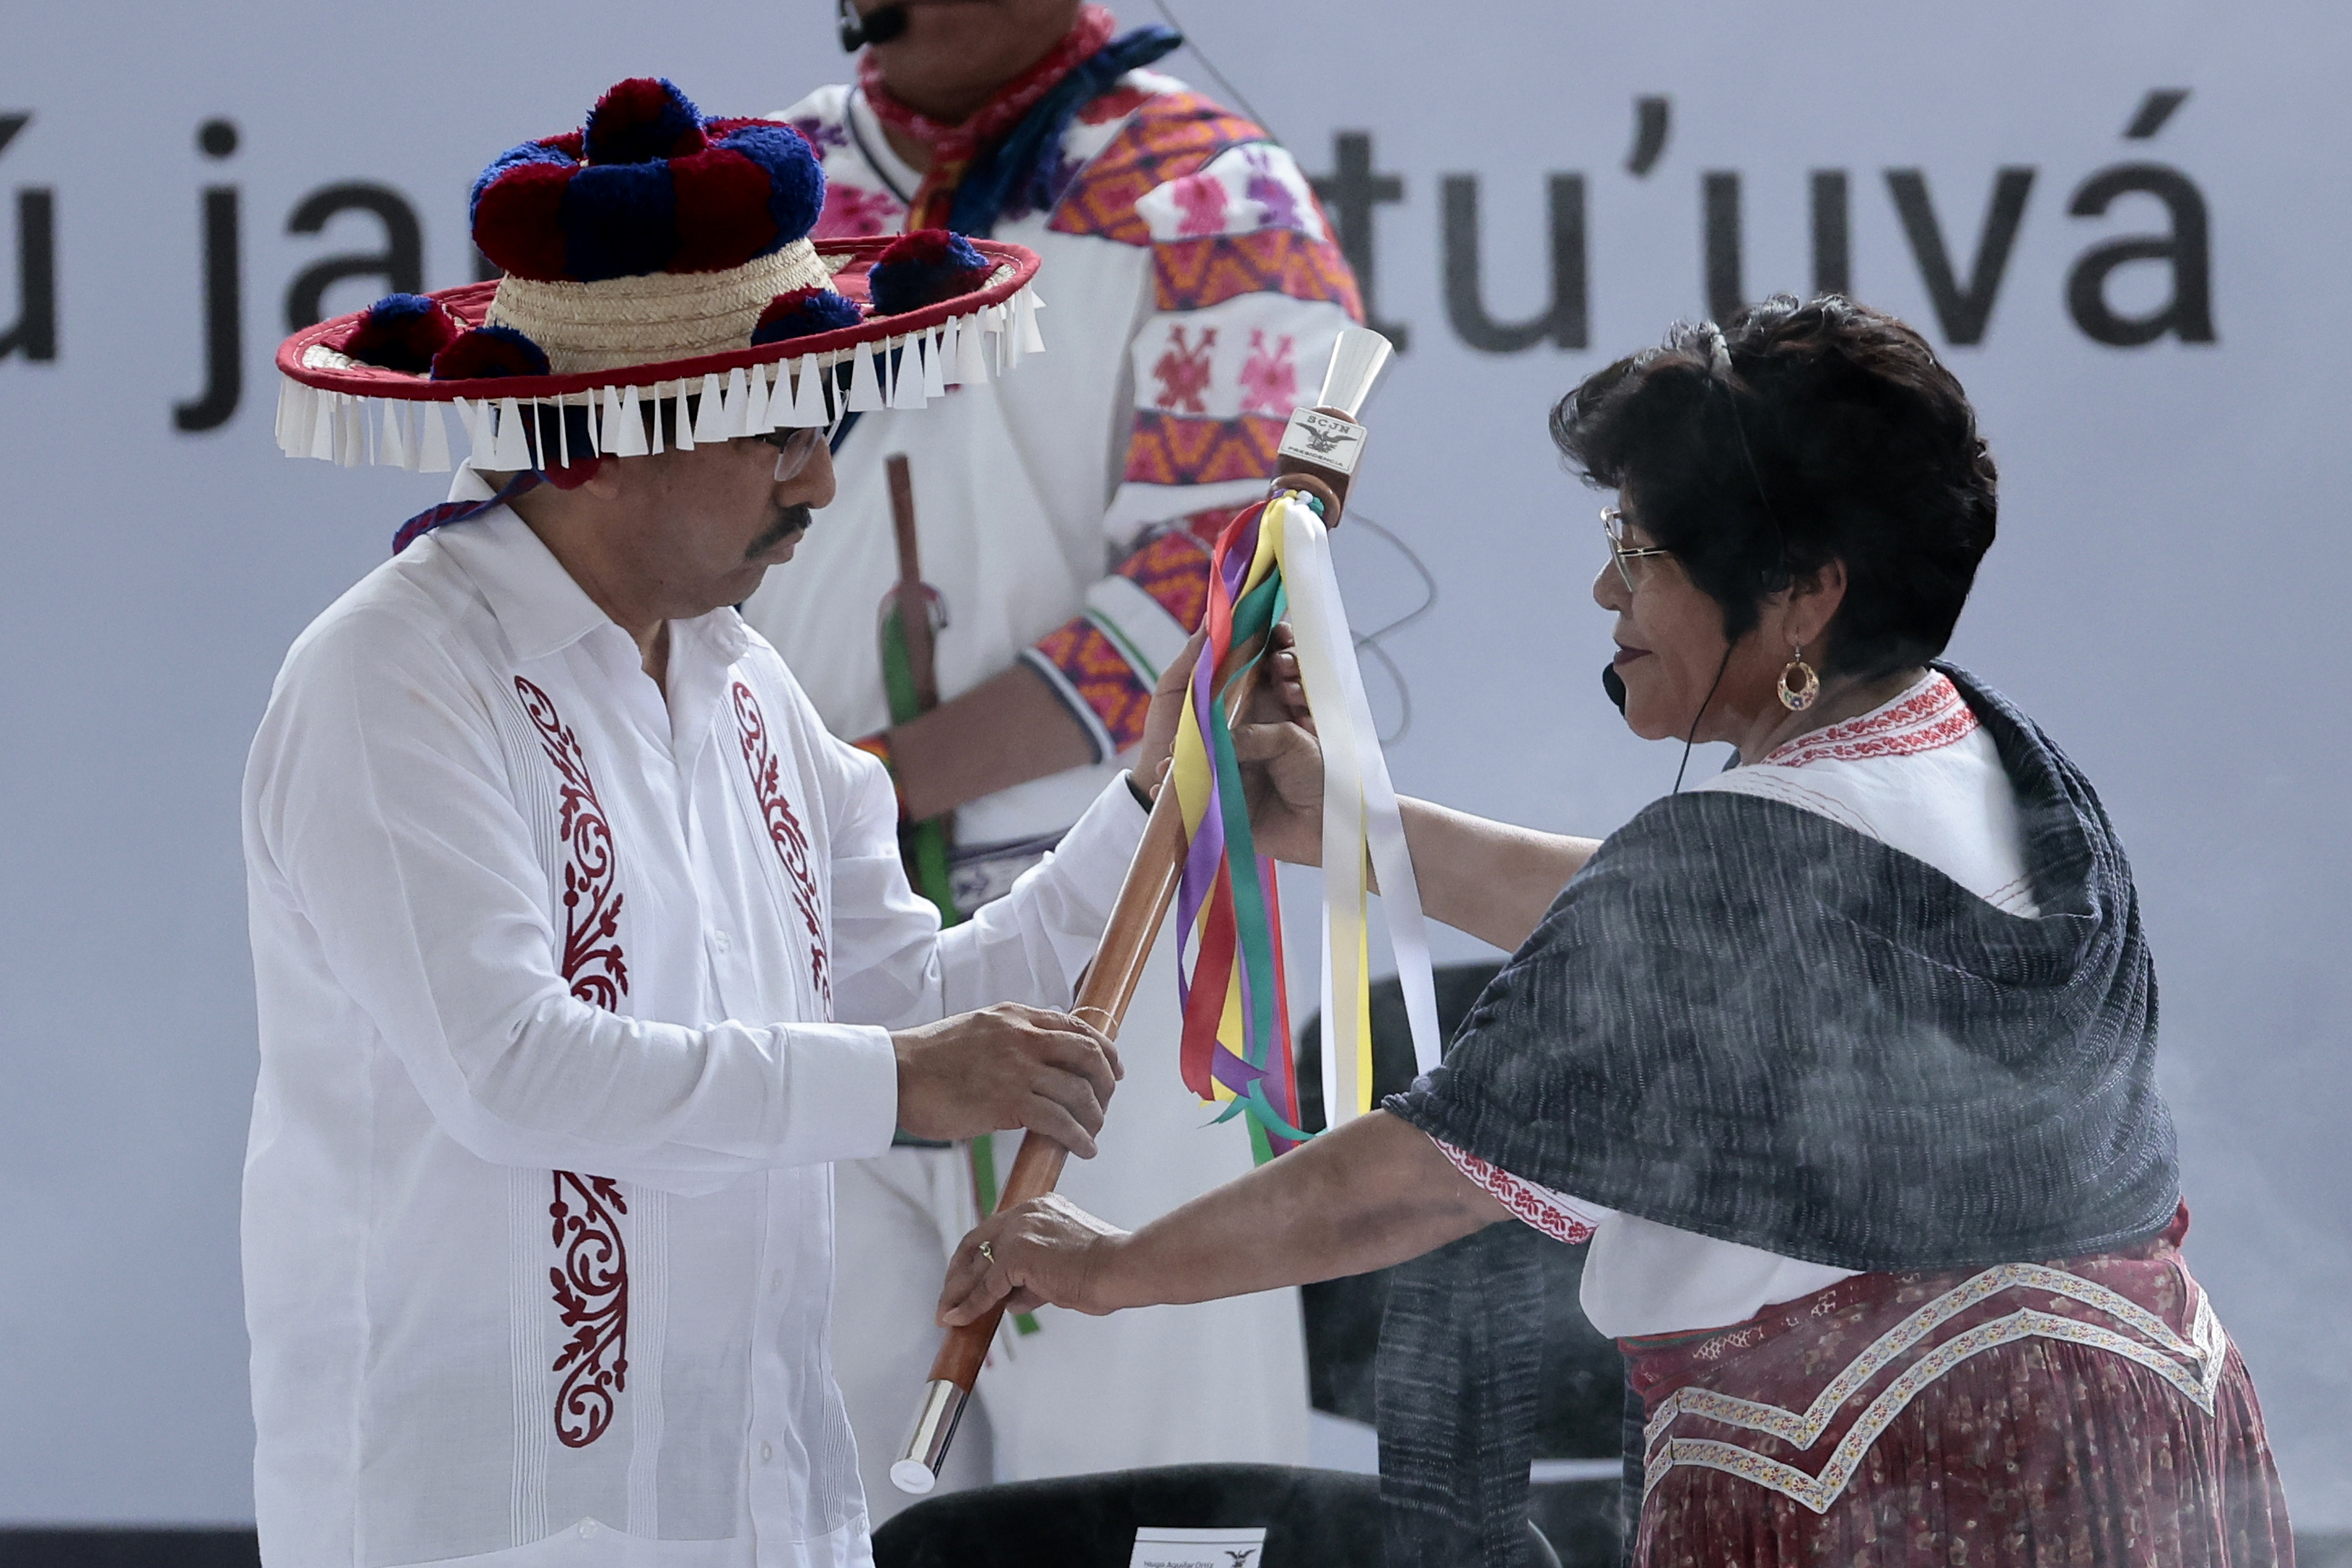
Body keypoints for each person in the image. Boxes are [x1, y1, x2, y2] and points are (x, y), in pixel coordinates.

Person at [935, 297, 2298, 1566]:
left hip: (1893, 1483)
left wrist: (1108, 1268)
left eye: (1641, 554)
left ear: (1802, 592)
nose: (1608, 594)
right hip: (2145, 1443)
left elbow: (1425, 1178)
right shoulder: (1998, 759)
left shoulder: (1734, 868)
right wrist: (1356, 832)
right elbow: (1727, 943)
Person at [243, 76, 1194, 1568]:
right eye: (781, 434)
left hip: (756, 1503)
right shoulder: (391, 675)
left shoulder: (742, 679)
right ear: (613, 433)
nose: (823, 477)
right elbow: (512, 1071)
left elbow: (908, 1002)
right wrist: (905, 1080)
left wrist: (1162, 792)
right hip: (487, 1525)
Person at [741, 0, 1363, 1506]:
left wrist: (855, 782)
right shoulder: (764, 189)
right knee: (813, 1474)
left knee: (1151, 1470)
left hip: (1113, 939)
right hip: (790, 933)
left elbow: (1212, 605)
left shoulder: (1211, 190)